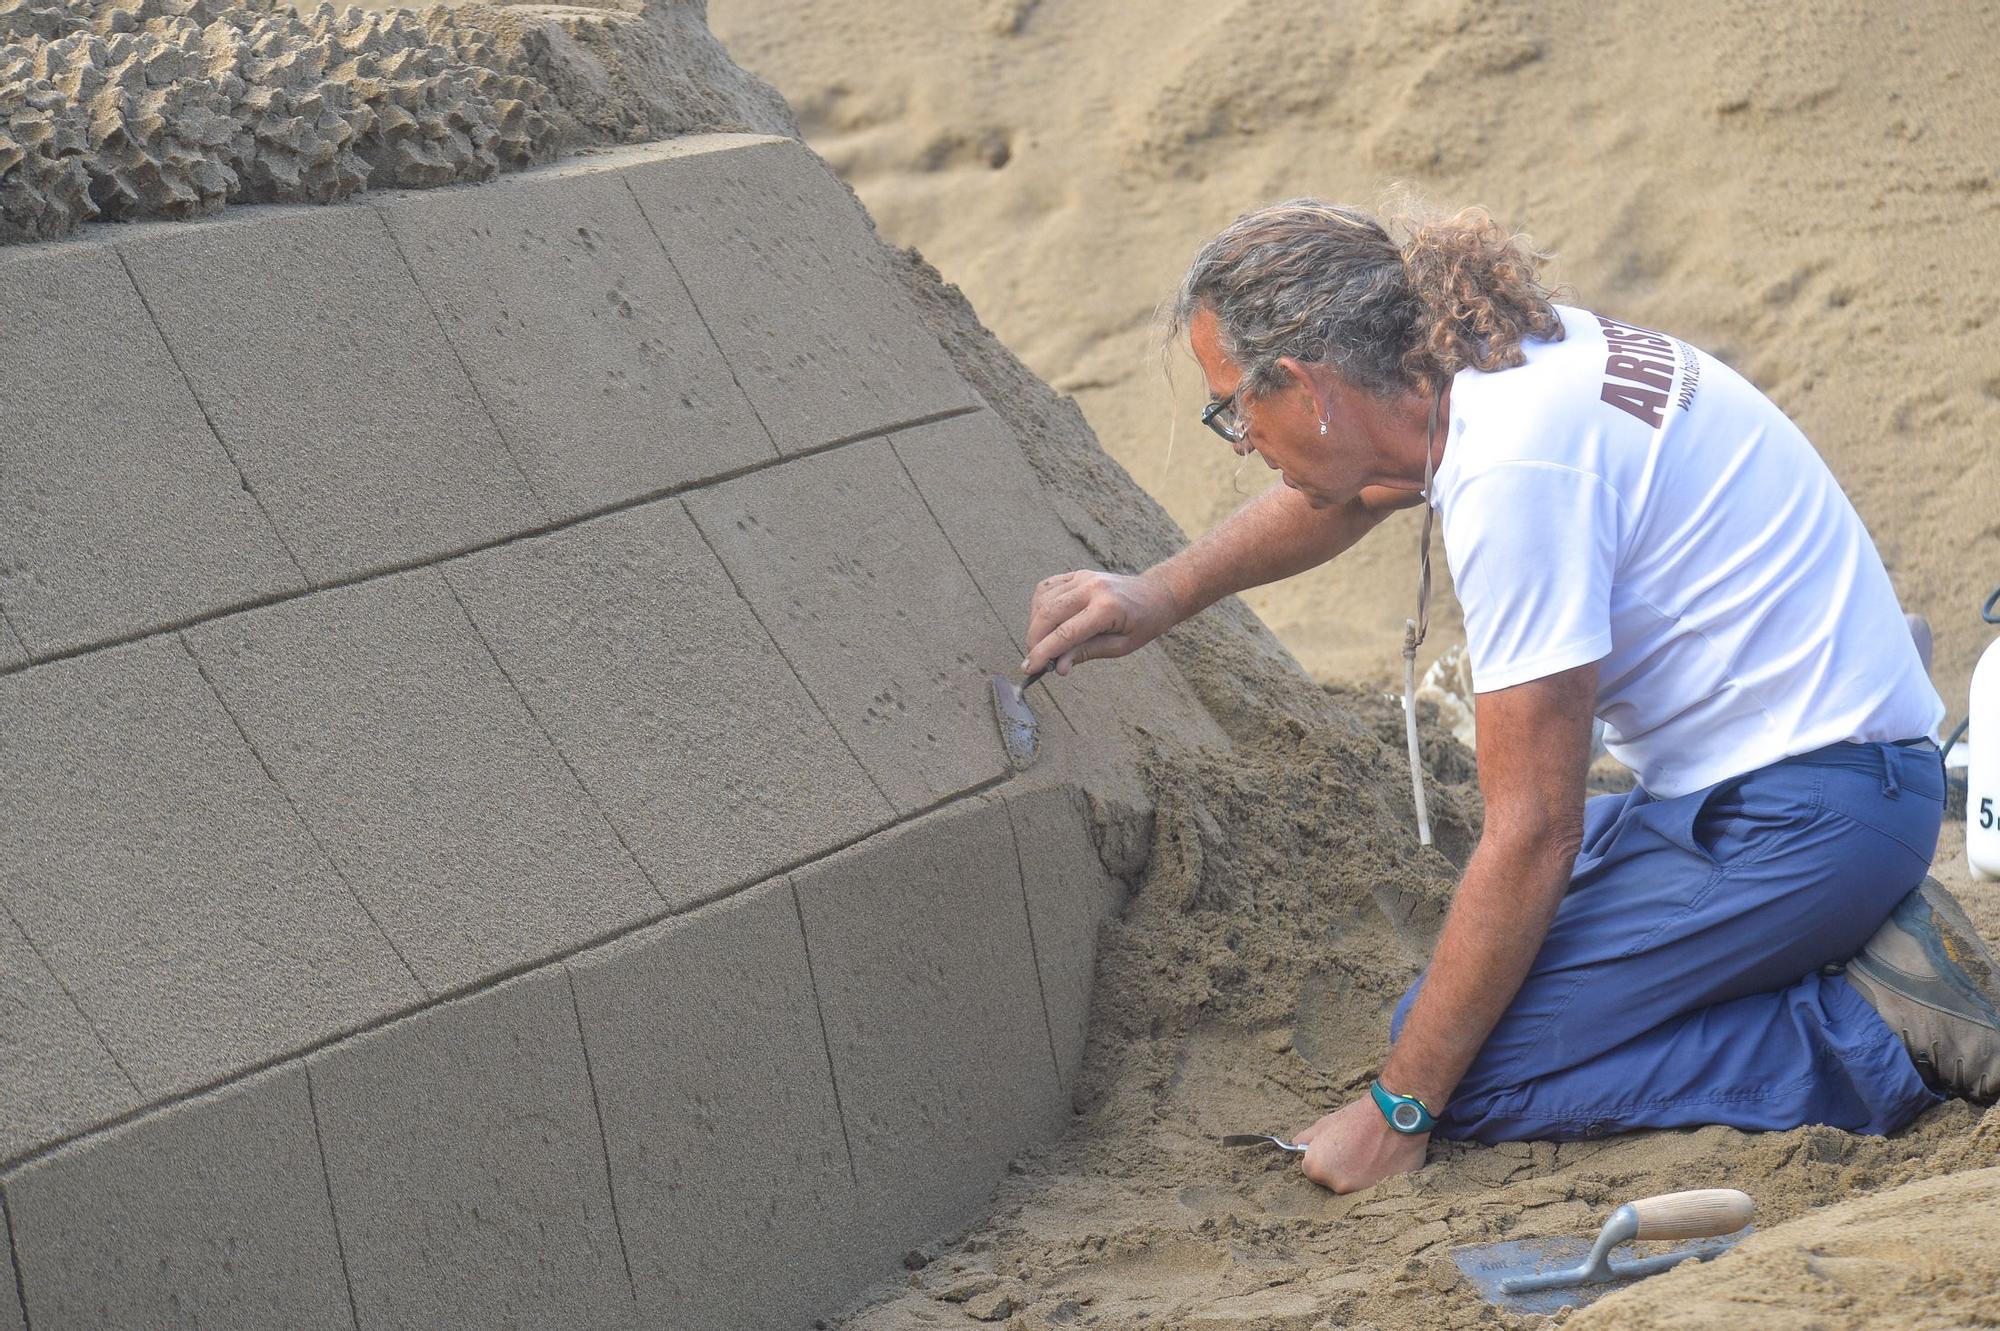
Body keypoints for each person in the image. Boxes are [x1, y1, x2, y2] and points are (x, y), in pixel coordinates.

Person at [1021, 200, 2000, 1193]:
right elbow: (1352, 487)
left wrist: (1400, 1108)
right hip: (1803, 771)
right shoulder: (1489, 371)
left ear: (1308, 385)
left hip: (1812, 808)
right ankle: (1844, 941)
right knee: (1460, 999)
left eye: (1233, 406)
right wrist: (1159, 592)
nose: (1237, 439)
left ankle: (1875, 1031)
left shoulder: (1514, 471)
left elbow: (1532, 827)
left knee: (1465, 1072)